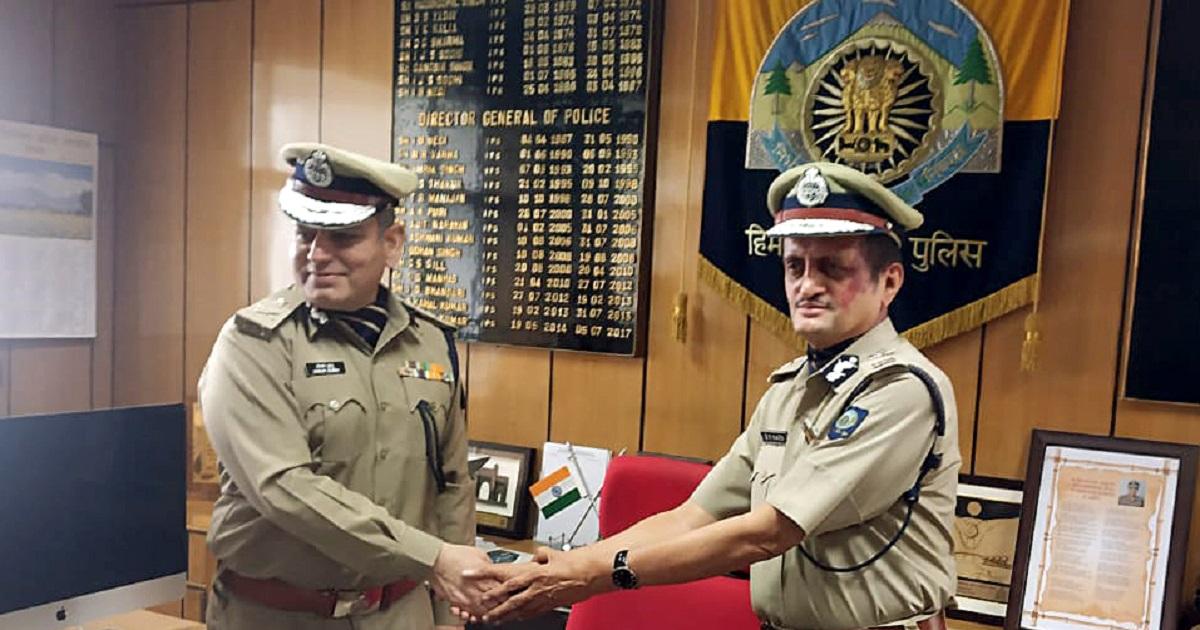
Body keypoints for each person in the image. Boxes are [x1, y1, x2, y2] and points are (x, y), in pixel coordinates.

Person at [465, 162, 962, 630]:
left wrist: (593, 576)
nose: (808, 285)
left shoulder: (902, 390)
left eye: (833, 268)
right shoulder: (791, 389)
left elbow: (767, 532)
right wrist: (565, 566)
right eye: (795, 266)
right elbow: (693, 516)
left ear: (889, 282)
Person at [199, 143, 493, 630]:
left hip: (401, 615)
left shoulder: (431, 342)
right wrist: (432, 557)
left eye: (343, 237)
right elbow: (285, 488)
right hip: (279, 616)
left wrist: (449, 617)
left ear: (392, 243)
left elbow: (452, 486)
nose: (317, 255)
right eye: (304, 234)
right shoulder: (253, 343)